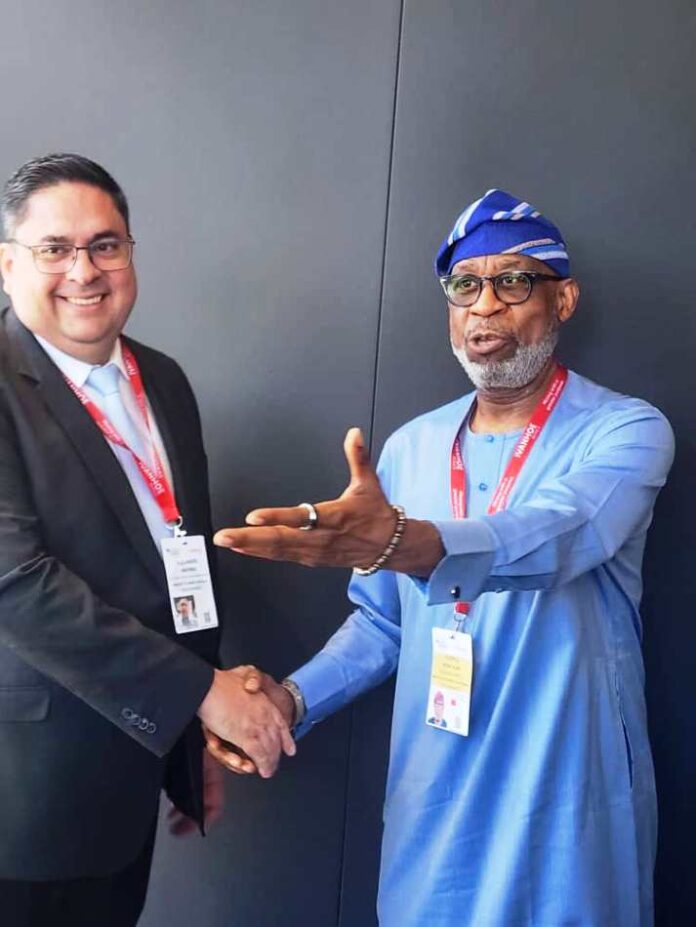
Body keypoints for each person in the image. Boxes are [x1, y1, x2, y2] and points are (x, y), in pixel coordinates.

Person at [210, 189, 675, 926]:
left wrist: (407, 541)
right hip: (438, 803)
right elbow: (384, 624)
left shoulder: (626, 432)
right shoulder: (412, 447)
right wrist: (291, 699)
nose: (484, 305)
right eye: (464, 285)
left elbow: (560, 532)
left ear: (564, 299)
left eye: (512, 280)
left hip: (567, 802)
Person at [0, 153, 294, 927]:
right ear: (6, 265)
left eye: (106, 245)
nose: (83, 270)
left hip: (133, 772)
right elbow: (16, 585)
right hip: (23, 805)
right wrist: (204, 695)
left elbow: (177, 562)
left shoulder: (162, 380)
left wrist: (191, 736)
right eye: (54, 249)